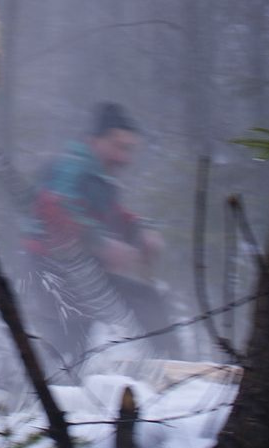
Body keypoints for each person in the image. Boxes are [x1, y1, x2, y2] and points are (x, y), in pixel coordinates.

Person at [22, 102, 178, 375]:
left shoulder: (96, 174)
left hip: (78, 269)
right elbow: (53, 207)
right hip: (54, 268)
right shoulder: (72, 166)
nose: (125, 158)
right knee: (70, 342)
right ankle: (173, 371)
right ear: (96, 140)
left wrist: (140, 230)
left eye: (130, 150)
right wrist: (101, 244)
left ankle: (172, 370)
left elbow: (112, 213)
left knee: (143, 302)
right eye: (120, 147)